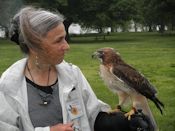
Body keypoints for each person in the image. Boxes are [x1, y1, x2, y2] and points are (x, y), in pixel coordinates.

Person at [0, 6, 152, 131]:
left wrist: (119, 123)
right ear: (34, 46)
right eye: (59, 40)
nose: (67, 46)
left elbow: (92, 114)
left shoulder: (72, 74)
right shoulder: (8, 87)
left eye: (65, 38)